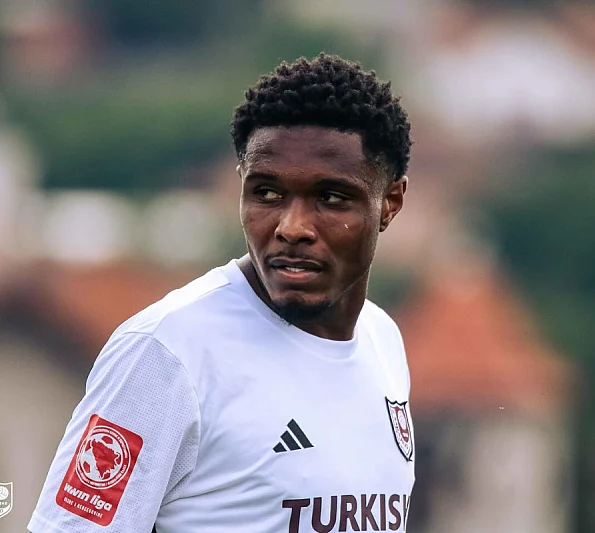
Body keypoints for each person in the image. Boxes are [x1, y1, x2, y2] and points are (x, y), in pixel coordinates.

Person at [28, 53, 414, 533]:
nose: (292, 227)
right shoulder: (166, 352)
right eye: (267, 193)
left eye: (331, 198)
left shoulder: (383, 340)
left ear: (389, 202)